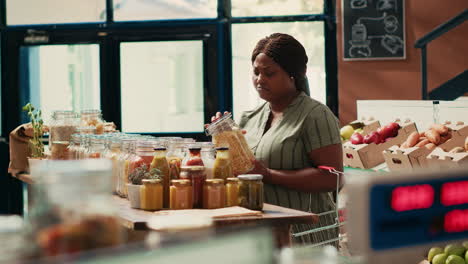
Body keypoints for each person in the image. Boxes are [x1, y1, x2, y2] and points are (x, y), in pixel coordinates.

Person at [213, 33, 343, 245]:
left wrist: (268, 175)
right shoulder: (249, 118)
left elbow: (333, 178)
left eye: (270, 73)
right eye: (256, 72)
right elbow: (243, 170)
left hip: (305, 236)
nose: (260, 79)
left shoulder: (315, 115)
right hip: (260, 234)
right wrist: (224, 140)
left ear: (293, 75)